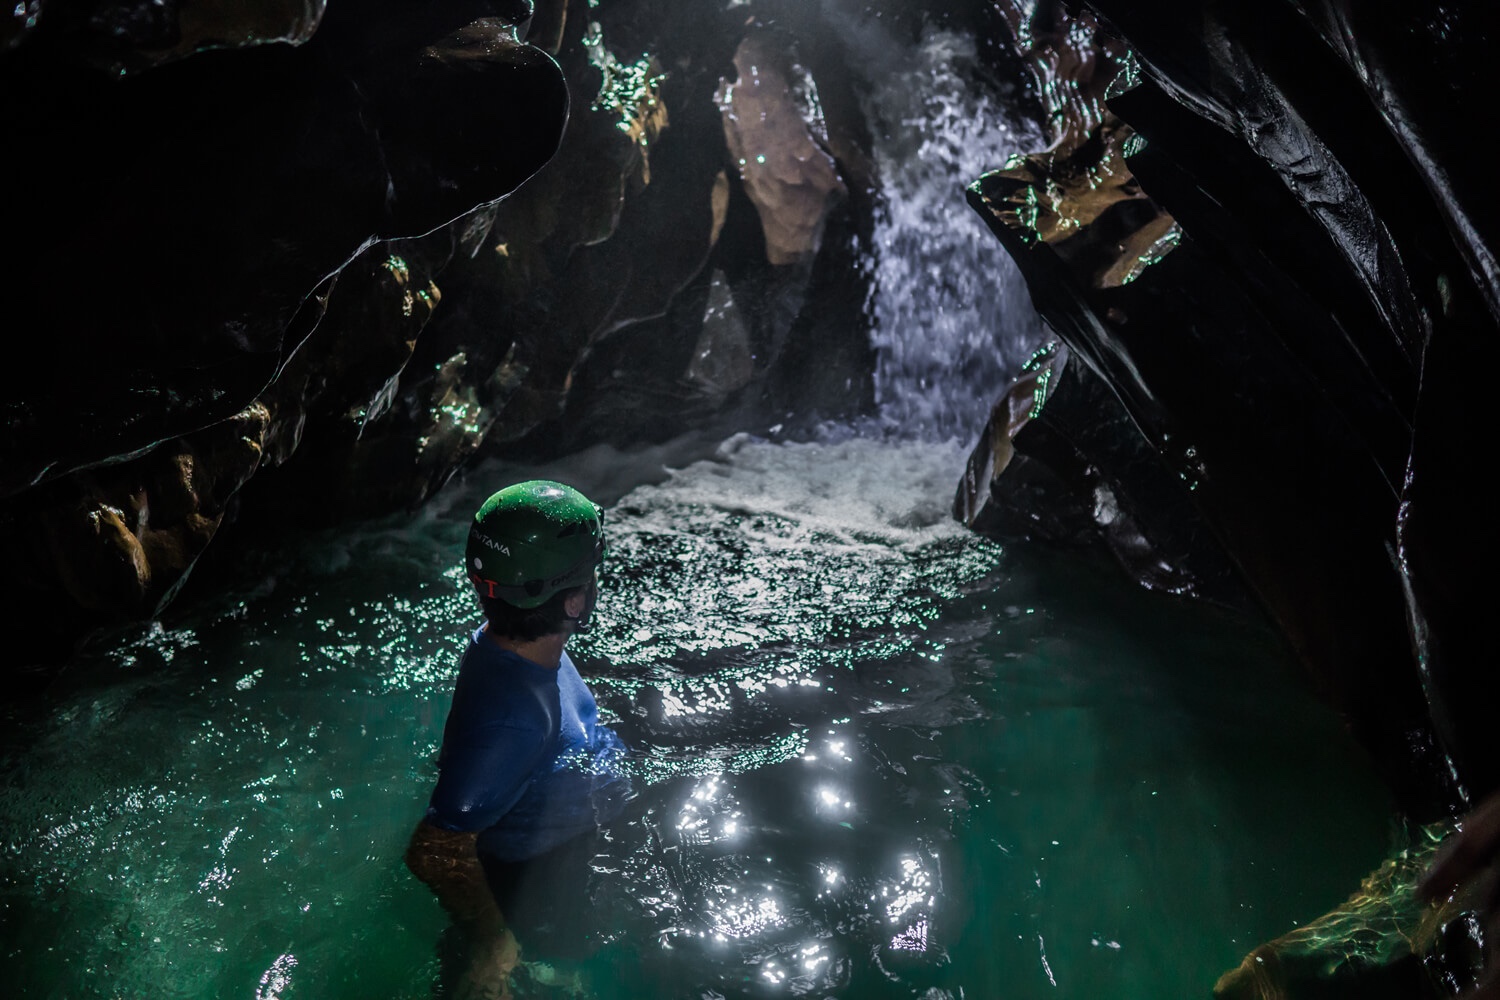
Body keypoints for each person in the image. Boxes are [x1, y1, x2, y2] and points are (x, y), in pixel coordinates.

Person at [406, 479, 629, 999]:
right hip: (528, 896)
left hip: (550, 858)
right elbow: (434, 849)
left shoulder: (514, 648)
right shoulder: (515, 723)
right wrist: (493, 943)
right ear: (574, 600)